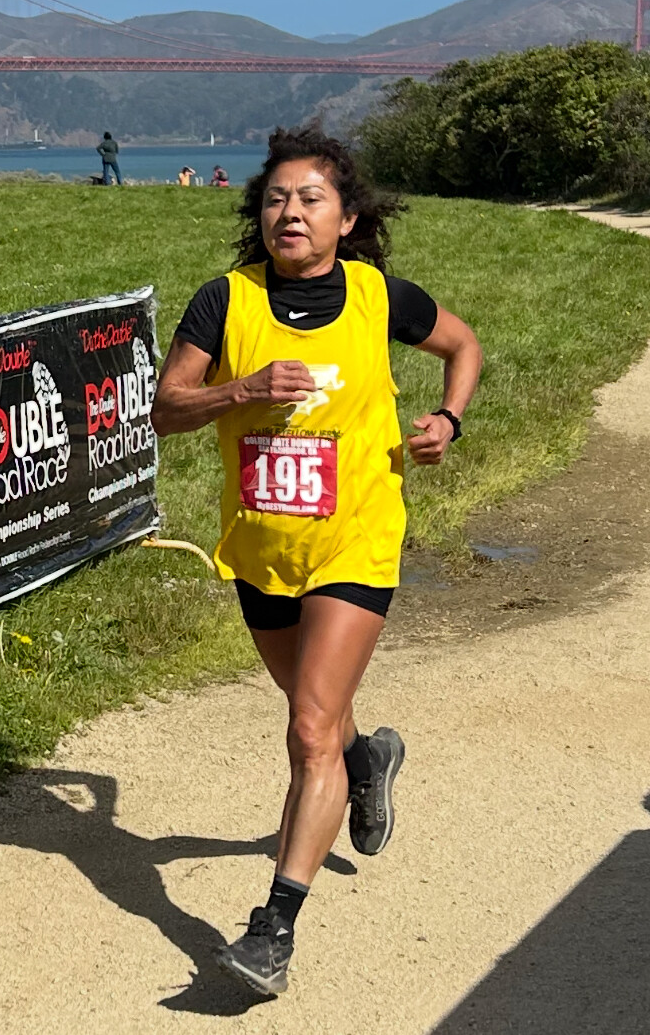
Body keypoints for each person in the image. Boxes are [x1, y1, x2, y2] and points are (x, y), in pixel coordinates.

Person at [151, 123, 482, 998]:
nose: (289, 212)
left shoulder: (378, 297)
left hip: (355, 539)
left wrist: (447, 420)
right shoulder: (224, 302)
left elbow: (464, 346)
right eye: (274, 199)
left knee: (305, 730)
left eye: (309, 199)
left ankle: (273, 928)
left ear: (346, 218)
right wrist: (241, 389)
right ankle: (366, 760)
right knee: (323, 721)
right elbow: (166, 410)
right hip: (262, 549)